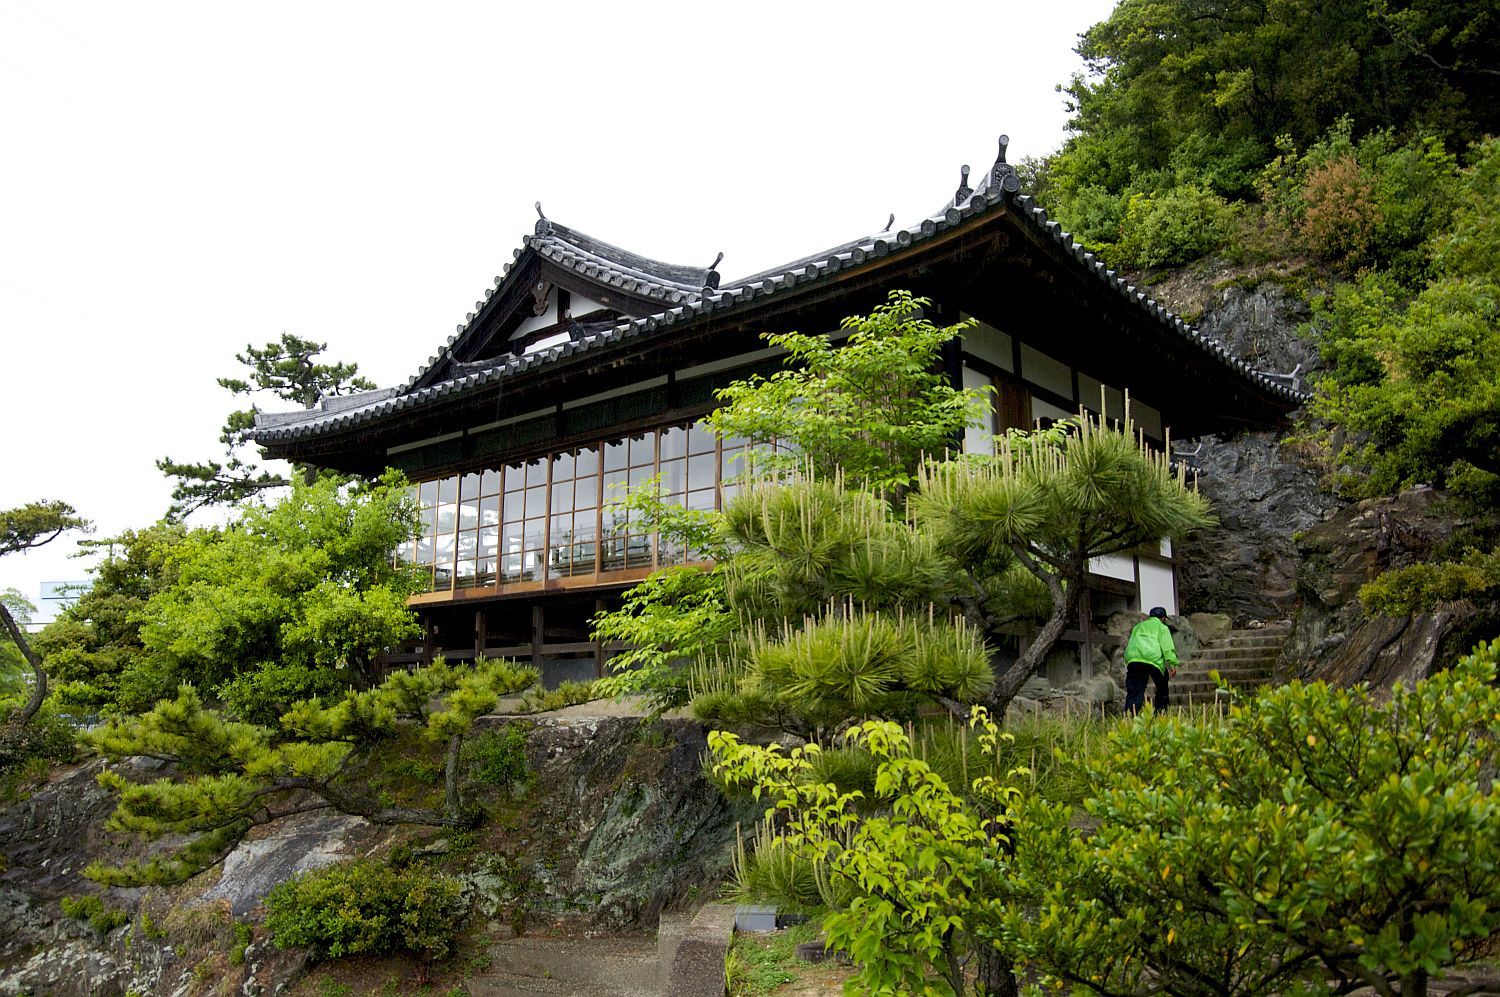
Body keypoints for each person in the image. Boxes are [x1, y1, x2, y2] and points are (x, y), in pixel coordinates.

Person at [1123, 606, 1178, 715]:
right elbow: (1167, 647)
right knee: (1162, 687)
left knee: (1134, 691)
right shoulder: (1162, 627)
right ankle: (1161, 714)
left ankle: (1130, 718)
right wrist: (1172, 664)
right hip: (1152, 659)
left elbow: (1131, 643)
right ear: (1163, 619)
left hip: (1134, 659)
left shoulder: (1138, 626)